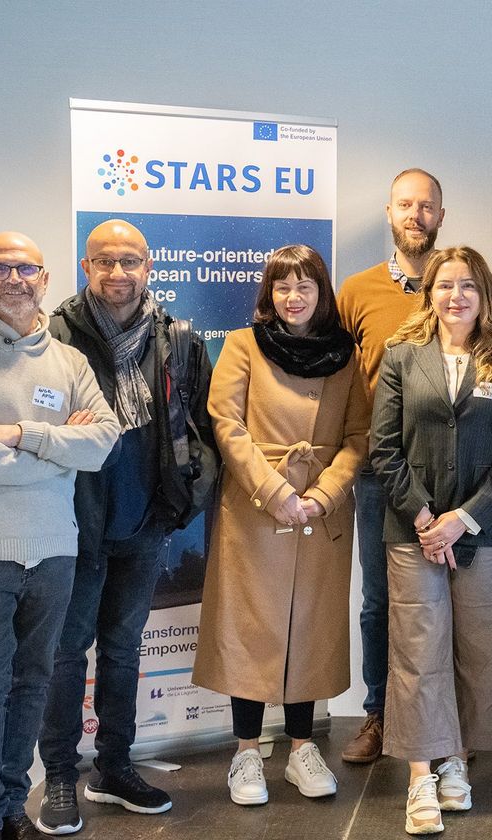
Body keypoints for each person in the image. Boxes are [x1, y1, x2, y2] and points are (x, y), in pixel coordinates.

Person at [0, 232, 119, 840]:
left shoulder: (68, 361)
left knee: (34, 680)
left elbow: (102, 443)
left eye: (26, 268)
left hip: (54, 550)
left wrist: (17, 433)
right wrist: (59, 447)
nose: (13, 278)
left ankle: (14, 806)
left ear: (45, 278)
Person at [37, 219, 219, 835]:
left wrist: (182, 502)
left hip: (143, 524)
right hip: (73, 526)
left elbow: (200, 425)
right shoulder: (53, 336)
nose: (118, 273)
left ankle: (114, 768)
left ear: (149, 266)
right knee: (65, 655)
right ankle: (60, 776)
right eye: (105, 262)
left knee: (121, 651)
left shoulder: (177, 339)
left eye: (131, 261)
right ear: (86, 268)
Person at [192, 244, 370, 805]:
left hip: (323, 511)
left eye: (305, 287)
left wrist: (321, 495)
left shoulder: (348, 355)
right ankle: (246, 752)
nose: (293, 298)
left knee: (310, 628)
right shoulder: (244, 345)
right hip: (253, 508)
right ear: (268, 294)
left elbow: (359, 437)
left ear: (322, 293)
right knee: (249, 628)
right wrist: (275, 491)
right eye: (282, 287)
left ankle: (300, 749)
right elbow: (226, 422)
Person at [372, 246, 492, 834]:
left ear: (483, 293)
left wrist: (462, 519)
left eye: (467, 285)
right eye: (445, 285)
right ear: (430, 292)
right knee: (418, 653)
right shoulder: (401, 355)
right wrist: (423, 518)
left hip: (486, 535)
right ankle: (420, 776)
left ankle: (458, 763)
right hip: (411, 533)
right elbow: (382, 448)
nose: (455, 295)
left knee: (481, 653)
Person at [336, 168, 445, 765]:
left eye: (426, 206)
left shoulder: (461, 284)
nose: (416, 215)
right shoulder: (357, 291)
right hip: (381, 472)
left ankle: (445, 722)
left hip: (452, 473)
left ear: (440, 216)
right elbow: (339, 378)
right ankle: (379, 715)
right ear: (389, 212)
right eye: (406, 204)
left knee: (445, 601)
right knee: (380, 600)